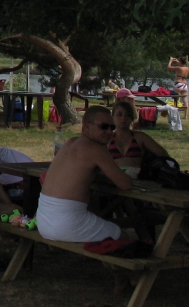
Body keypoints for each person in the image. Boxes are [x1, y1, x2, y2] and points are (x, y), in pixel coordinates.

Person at [36, 106, 132, 242]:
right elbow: (125, 184)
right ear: (87, 126)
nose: (109, 132)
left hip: (43, 221)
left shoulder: (69, 143)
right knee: (123, 236)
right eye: (104, 127)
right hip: (66, 224)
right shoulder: (96, 149)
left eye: (112, 127)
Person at [107, 91, 169, 167]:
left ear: (131, 119)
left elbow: (164, 155)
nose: (123, 118)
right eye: (119, 115)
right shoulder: (107, 138)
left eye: (127, 115)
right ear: (112, 118)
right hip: (112, 177)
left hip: (139, 177)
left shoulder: (141, 137)